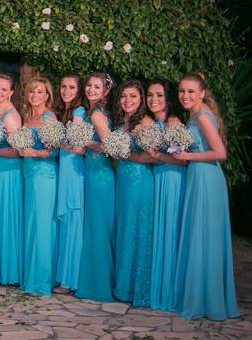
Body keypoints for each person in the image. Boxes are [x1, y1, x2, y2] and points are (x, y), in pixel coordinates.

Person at [172, 73, 238, 320]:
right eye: (182, 91)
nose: (185, 96)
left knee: (205, 235)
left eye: (191, 91)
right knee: (200, 234)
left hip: (206, 179)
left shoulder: (201, 116)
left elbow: (220, 152)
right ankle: (203, 297)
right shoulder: (194, 115)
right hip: (198, 176)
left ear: (201, 93)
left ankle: (207, 301)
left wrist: (187, 156)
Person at [112, 79, 155, 307]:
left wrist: (128, 155)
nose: (127, 100)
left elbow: (153, 155)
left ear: (141, 100)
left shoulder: (145, 122)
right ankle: (123, 285)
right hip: (124, 182)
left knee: (136, 230)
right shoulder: (123, 122)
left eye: (133, 96)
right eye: (124, 96)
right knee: (125, 229)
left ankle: (137, 288)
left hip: (139, 182)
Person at [145, 78, 186, 311]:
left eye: (159, 95)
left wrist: (157, 155)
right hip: (158, 178)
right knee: (160, 230)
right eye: (150, 95)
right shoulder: (152, 123)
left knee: (169, 230)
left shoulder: (173, 122)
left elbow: (183, 160)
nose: (153, 99)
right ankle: (160, 288)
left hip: (172, 179)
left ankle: (169, 292)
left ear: (168, 99)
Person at [75, 73, 116, 302]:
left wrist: (87, 143)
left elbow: (110, 146)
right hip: (93, 175)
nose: (91, 89)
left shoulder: (97, 114)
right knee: (95, 228)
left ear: (105, 91)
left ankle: (99, 286)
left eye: (97, 87)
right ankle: (96, 281)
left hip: (100, 177)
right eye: (89, 85)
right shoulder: (94, 112)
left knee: (98, 229)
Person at [19, 77, 59, 295]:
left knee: (41, 225)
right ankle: (31, 276)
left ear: (47, 96)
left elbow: (54, 150)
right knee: (32, 223)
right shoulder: (29, 116)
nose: (35, 95)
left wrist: (34, 152)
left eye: (40, 92)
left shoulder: (48, 117)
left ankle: (41, 280)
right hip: (29, 175)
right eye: (32, 91)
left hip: (43, 176)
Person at [0, 73, 23, 286]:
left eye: (3, 89)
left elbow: (19, 150)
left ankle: (8, 271)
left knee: (5, 216)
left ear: (11, 92)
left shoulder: (10, 115)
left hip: (8, 172)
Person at [53, 74, 86, 294]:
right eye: (63, 86)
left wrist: (58, 141)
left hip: (74, 172)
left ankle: (70, 280)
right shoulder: (64, 112)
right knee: (66, 222)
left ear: (79, 90)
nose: (66, 91)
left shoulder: (79, 112)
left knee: (73, 220)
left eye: (72, 87)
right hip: (64, 169)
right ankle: (64, 276)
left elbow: (80, 147)